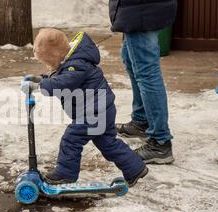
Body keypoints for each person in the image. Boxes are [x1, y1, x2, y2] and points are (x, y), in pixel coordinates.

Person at [24, 28, 148, 187]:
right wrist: (40, 79)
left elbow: (63, 82)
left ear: (56, 56)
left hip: (93, 113)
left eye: (47, 62)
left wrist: (39, 86)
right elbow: (60, 75)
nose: (48, 66)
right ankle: (135, 169)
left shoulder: (77, 65)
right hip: (102, 110)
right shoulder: (73, 60)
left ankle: (65, 173)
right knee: (108, 144)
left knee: (71, 139)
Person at [101, 0, 179, 164]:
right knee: (130, 58)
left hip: (141, 3)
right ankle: (142, 120)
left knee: (147, 72)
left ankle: (160, 142)